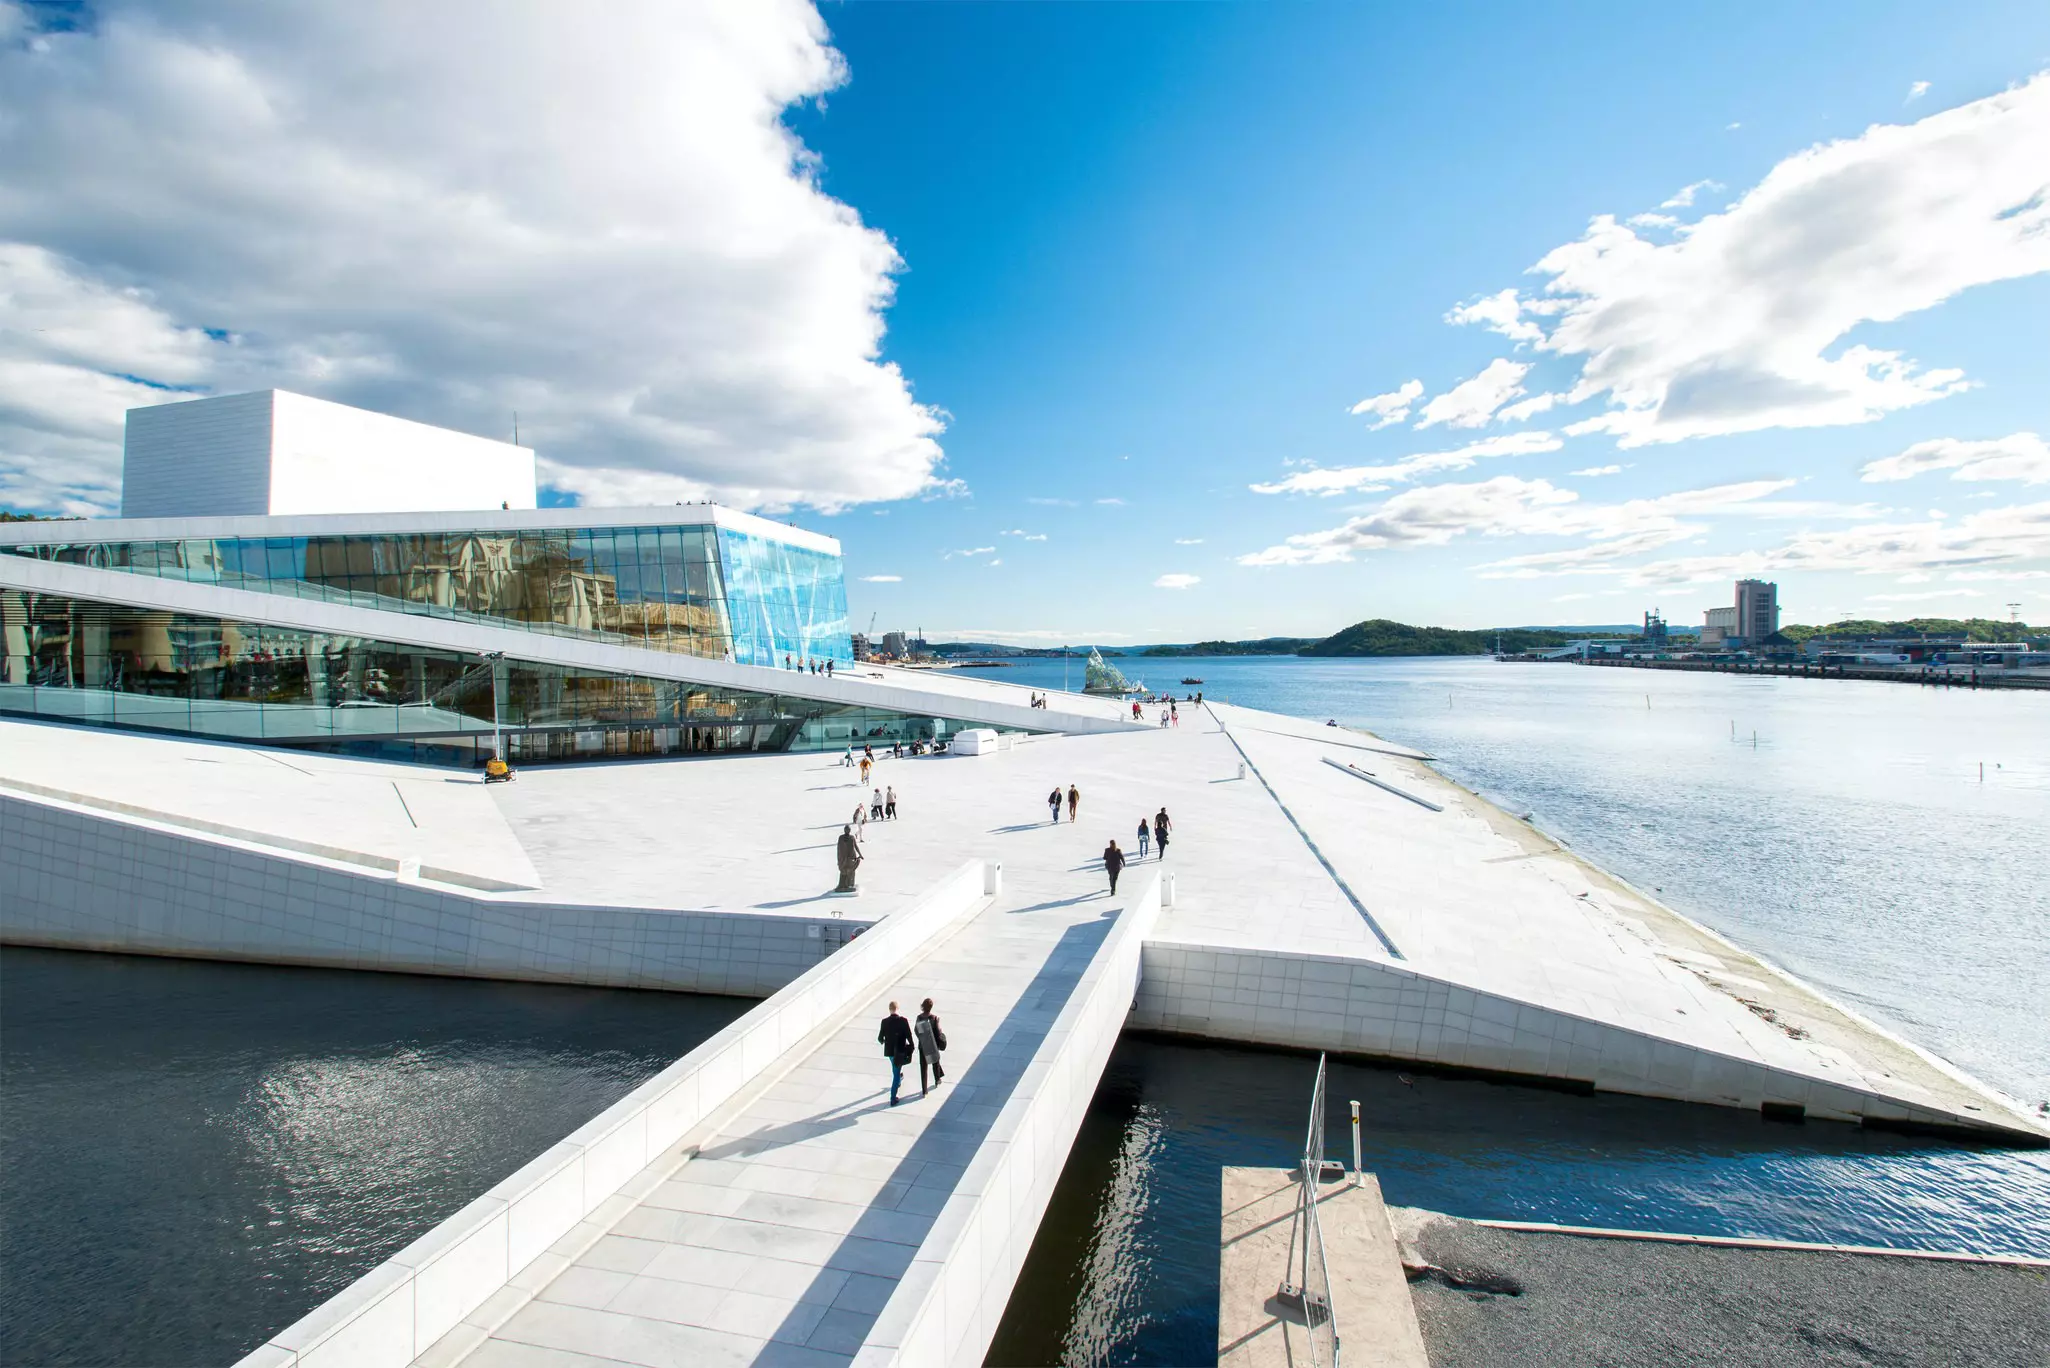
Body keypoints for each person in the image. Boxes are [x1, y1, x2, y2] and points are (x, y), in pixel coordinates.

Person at [878, 1002, 914, 1105]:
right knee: (896, 1073)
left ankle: (898, 1081)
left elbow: (880, 1038)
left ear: (889, 1009)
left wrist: (883, 1041)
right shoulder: (903, 1021)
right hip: (900, 1051)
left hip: (890, 1052)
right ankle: (893, 1098)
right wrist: (911, 1045)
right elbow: (909, 1035)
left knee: (895, 1067)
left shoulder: (884, 1022)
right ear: (897, 1008)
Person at [914, 997, 947, 1095]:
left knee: (923, 1067)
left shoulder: (919, 1018)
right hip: (932, 1045)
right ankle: (937, 1080)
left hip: (923, 1046)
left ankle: (924, 1090)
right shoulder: (934, 1018)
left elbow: (916, 1030)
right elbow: (938, 1032)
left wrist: (921, 1039)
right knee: (935, 1063)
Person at [835, 824, 862, 893]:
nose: (847, 831)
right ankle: (843, 885)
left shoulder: (851, 837)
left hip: (850, 858)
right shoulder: (841, 838)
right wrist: (839, 859)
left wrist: (860, 854)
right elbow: (839, 849)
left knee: (850, 871)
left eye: (848, 829)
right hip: (845, 858)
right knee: (845, 871)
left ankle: (849, 885)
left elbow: (855, 846)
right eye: (846, 829)